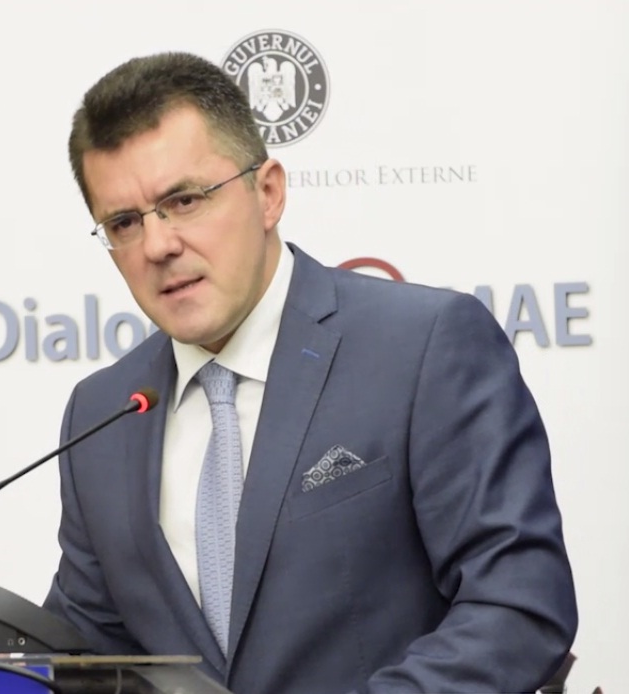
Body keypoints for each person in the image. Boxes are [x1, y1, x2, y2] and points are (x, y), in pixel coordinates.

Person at [44, 52, 577, 694]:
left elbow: (517, 607)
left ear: (267, 193)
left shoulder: (422, 347)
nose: (158, 245)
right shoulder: (102, 412)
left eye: (184, 200)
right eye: (125, 223)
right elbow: (82, 655)